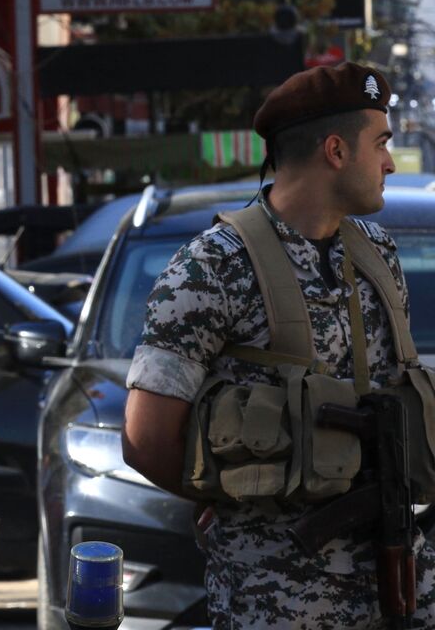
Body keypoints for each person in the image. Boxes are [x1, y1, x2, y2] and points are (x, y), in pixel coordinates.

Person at [122, 62, 435, 628]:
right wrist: (230, 497)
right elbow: (146, 439)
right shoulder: (211, 267)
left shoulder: (377, 254)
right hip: (280, 598)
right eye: (381, 143)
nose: (390, 162)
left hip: (398, 581)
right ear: (336, 151)